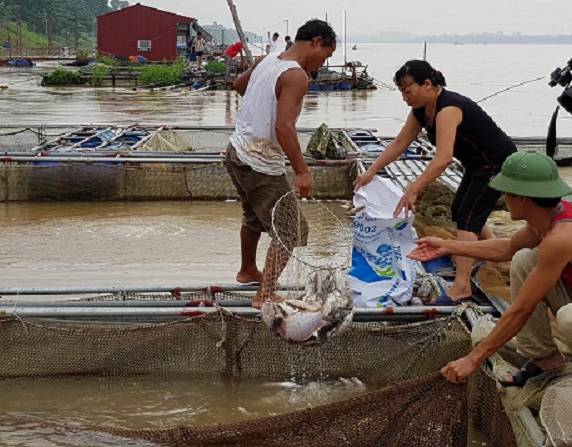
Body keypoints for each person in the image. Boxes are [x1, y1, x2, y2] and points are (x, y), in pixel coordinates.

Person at [353, 60, 517, 305]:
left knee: (468, 218)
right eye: (401, 92)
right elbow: (400, 144)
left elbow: (443, 159)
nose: (405, 97)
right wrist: (371, 171)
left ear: (427, 84)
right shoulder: (421, 110)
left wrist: (414, 188)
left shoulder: (448, 108)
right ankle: (497, 256)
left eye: (408, 91)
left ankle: (461, 286)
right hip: (476, 164)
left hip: (496, 163)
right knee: (460, 209)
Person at [408, 151, 572, 386]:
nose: (503, 198)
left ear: (523, 198)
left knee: (568, 318)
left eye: (506, 192)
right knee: (524, 259)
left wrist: (472, 359)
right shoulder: (546, 220)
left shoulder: (561, 237)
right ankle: (545, 358)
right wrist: (445, 246)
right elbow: (506, 248)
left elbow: (521, 310)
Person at [225, 19, 337, 308]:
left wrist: (259, 109)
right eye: (326, 55)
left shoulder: (270, 59)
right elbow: (284, 128)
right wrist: (302, 171)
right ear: (315, 42)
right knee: (291, 229)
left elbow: (239, 85)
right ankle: (264, 294)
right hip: (260, 162)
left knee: (252, 216)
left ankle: (247, 270)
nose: (323, 63)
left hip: (237, 151)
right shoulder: (296, 76)